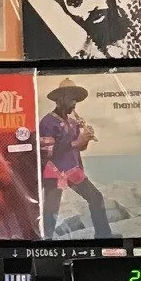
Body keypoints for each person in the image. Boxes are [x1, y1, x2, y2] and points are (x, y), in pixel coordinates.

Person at [38, 79, 111, 239]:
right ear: (60, 99)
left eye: (76, 99)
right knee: (51, 211)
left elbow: (80, 147)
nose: (74, 103)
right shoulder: (47, 122)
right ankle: (44, 243)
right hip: (54, 172)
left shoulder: (73, 122)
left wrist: (86, 139)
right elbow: (47, 153)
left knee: (96, 198)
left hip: (73, 169)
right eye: (72, 99)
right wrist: (76, 142)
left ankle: (104, 237)